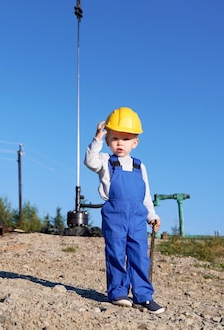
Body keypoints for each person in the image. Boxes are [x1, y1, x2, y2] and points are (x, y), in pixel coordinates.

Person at [83, 106, 165, 314]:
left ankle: (143, 296)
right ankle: (118, 292)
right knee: (116, 253)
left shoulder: (139, 166)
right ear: (108, 139)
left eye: (126, 139)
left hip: (137, 217)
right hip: (115, 215)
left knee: (139, 255)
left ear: (135, 142)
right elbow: (89, 162)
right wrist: (97, 138)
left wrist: (152, 215)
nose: (120, 143)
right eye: (115, 138)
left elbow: (145, 195)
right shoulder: (104, 160)